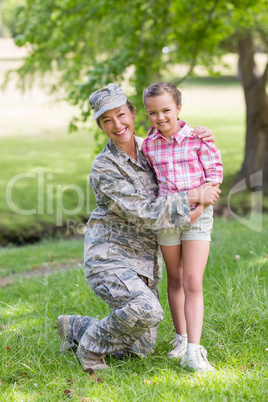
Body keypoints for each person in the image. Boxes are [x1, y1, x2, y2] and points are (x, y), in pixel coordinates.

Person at [57, 83, 220, 371]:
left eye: (121, 115)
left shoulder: (153, 147)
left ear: (133, 113)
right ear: (100, 126)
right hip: (109, 259)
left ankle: (74, 327)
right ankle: (91, 350)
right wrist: (195, 197)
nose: (117, 125)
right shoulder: (104, 167)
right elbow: (146, 214)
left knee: (139, 349)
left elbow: (185, 155)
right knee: (146, 311)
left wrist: (202, 137)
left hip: (143, 264)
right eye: (107, 120)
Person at [141, 82, 223, 372]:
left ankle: (194, 351)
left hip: (198, 216)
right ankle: (180, 337)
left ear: (178, 108)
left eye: (166, 110)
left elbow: (214, 177)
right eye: (153, 113)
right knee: (174, 278)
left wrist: (198, 210)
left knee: (192, 281)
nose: (160, 117)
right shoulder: (148, 145)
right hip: (167, 218)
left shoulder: (198, 139)